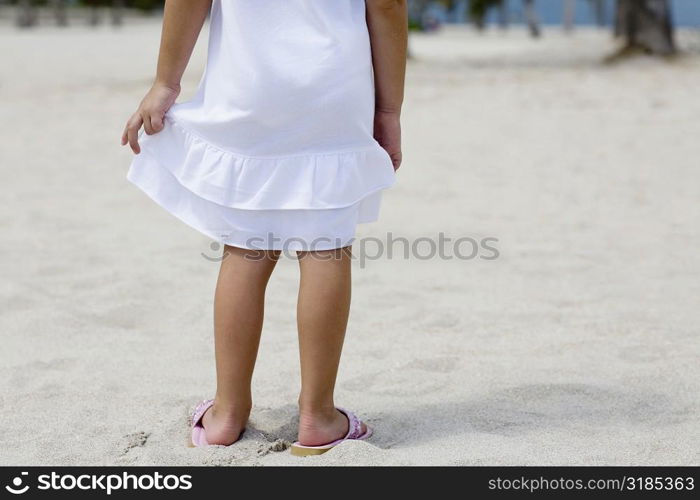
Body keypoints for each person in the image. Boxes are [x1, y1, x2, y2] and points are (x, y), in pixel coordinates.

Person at [121, 0, 407, 455]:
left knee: (246, 249)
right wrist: (389, 111)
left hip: (248, 86)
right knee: (325, 246)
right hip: (332, 89)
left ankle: (227, 413)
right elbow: (388, 6)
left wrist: (165, 82)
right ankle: (318, 416)